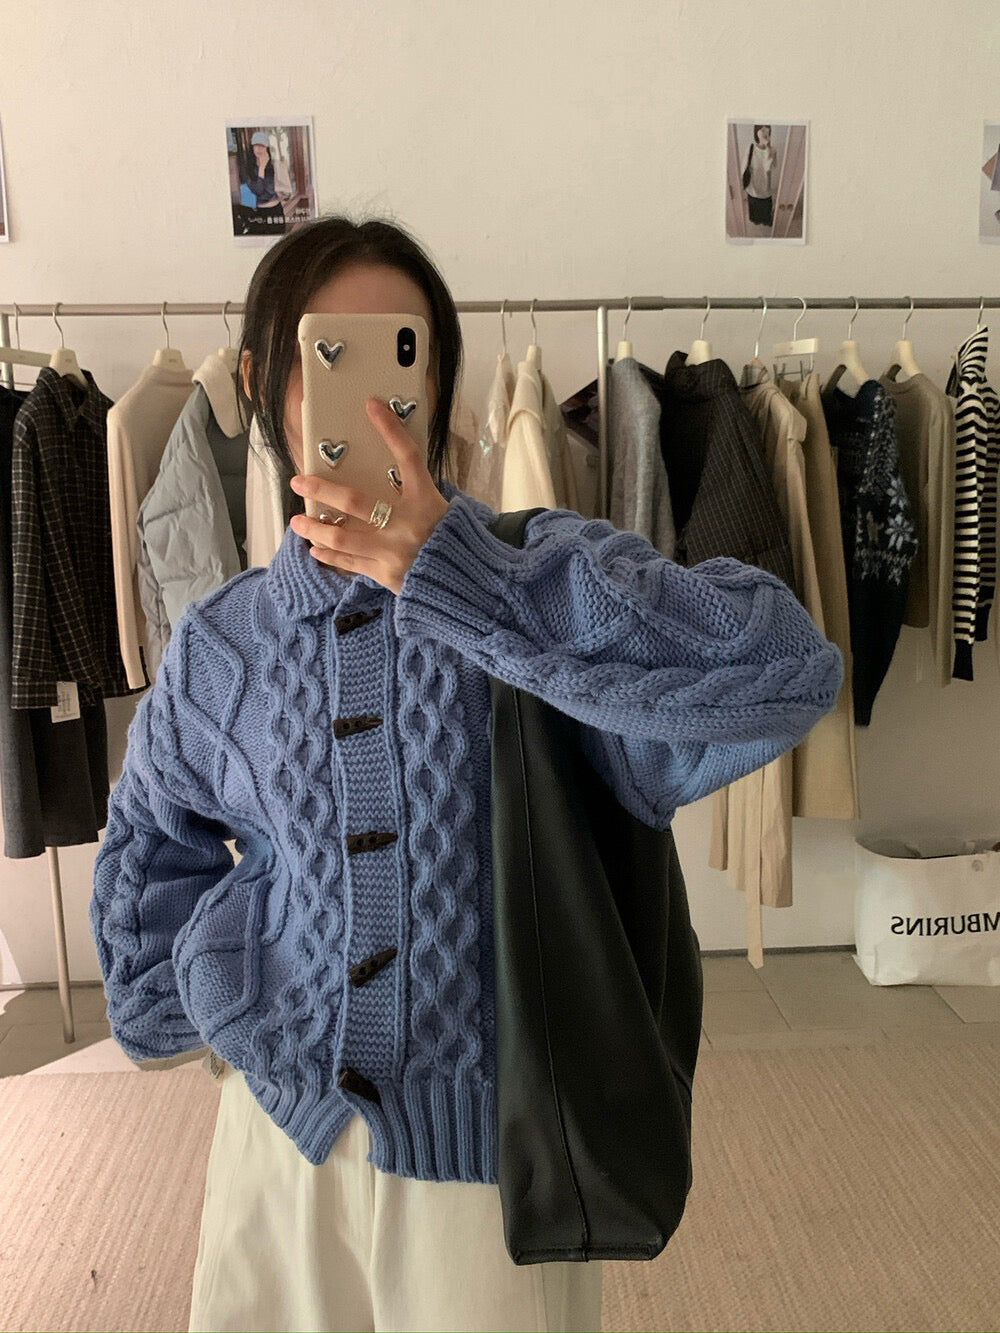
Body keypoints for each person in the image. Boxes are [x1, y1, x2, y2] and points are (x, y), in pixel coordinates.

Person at [89, 214, 843, 1333]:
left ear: (439, 377)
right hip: (278, 1144)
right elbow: (150, 836)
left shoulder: (541, 573)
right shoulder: (222, 643)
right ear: (259, 383)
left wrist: (470, 581)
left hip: (494, 1162)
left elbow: (781, 663)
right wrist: (186, 1000)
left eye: (399, 353)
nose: (368, 397)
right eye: (324, 355)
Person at [236, 130, 287, 236]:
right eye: (256, 145)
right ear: (252, 147)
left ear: (267, 148)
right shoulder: (247, 168)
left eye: (262, 146)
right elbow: (258, 191)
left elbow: (270, 192)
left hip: (275, 211)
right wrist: (262, 168)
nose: (259, 149)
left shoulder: (273, 166)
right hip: (257, 213)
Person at [743, 123, 777, 230]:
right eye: (762, 130)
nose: (765, 132)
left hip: (765, 184)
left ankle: (766, 221)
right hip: (753, 184)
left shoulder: (772, 150)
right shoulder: (750, 148)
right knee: (754, 206)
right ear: (756, 132)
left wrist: (767, 148)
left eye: (767, 130)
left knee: (766, 206)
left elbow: (769, 168)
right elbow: (744, 167)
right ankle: (756, 220)